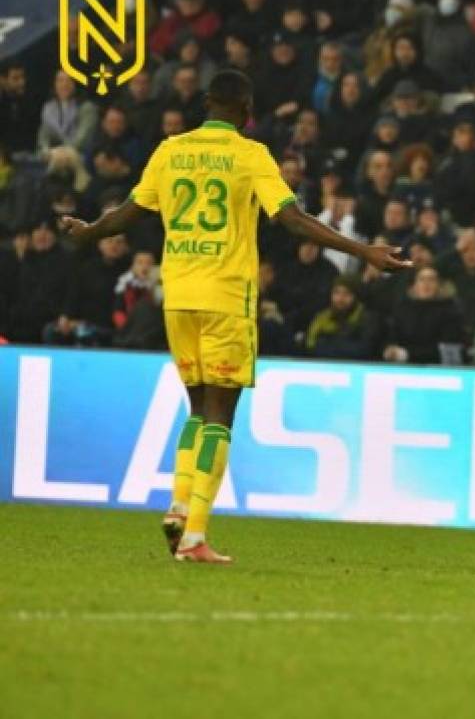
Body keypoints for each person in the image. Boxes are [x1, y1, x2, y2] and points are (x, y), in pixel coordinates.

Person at [62, 69, 409, 564]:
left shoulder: (170, 150)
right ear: (247, 113)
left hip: (177, 295)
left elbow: (129, 213)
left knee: (196, 408)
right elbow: (290, 218)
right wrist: (362, 250)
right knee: (220, 416)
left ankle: (179, 506)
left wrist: (88, 231)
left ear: (206, 103)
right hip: (225, 296)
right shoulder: (250, 155)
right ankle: (195, 536)